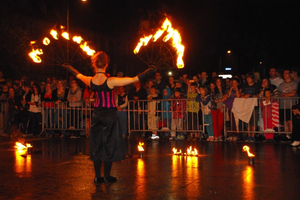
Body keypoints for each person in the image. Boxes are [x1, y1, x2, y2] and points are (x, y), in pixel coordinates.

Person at [62, 51, 156, 184]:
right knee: (109, 144)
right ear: (106, 64)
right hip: (109, 115)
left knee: (96, 144)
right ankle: (106, 176)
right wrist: (150, 70)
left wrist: (68, 67)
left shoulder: (90, 80)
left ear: (94, 64)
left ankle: (97, 177)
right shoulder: (110, 81)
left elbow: (78, 75)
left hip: (97, 115)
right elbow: (134, 79)